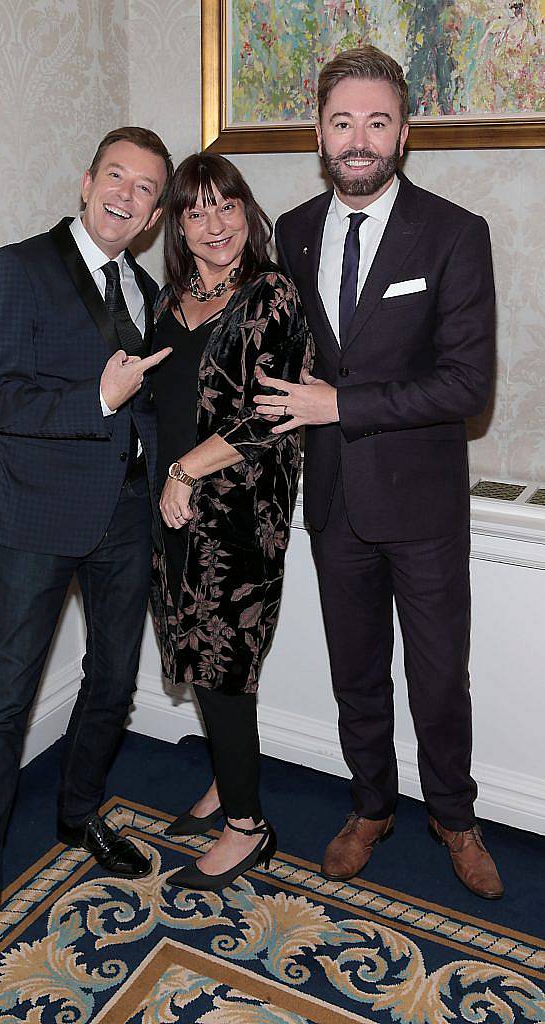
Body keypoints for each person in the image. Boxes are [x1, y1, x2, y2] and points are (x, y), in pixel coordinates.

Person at [0, 127, 174, 986]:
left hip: (127, 519)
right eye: (116, 178)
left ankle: (78, 813)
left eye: (145, 190)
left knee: (111, 683)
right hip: (34, 520)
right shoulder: (17, 266)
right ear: (87, 179)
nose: (127, 197)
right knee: (2, 708)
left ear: (153, 213)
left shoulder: (146, 286)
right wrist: (97, 395)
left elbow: (150, 406)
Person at [255, 47, 503, 900]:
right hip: (331, 502)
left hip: (424, 506)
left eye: (377, 121)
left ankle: (456, 817)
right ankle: (370, 806)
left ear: (404, 132)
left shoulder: (454, 233)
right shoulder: (290, 232)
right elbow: (274, 353)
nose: (359, 140)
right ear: (318, 134)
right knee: (354, 669)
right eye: (341, 122)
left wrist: (343, 406)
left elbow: (468, 385)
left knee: (439, 676)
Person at [150, 153, 313, 891]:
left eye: (227, 205)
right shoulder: (170, 298)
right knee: (192, 651)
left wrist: (186, 469)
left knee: (224, 667)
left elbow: (266, 415)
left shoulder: (271, 293)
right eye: (196, 210)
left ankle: (248, 827)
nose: (215, 223)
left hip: (242, 516)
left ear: (247, 210)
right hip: (174, 510)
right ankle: (225, 779)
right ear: (178, 224)